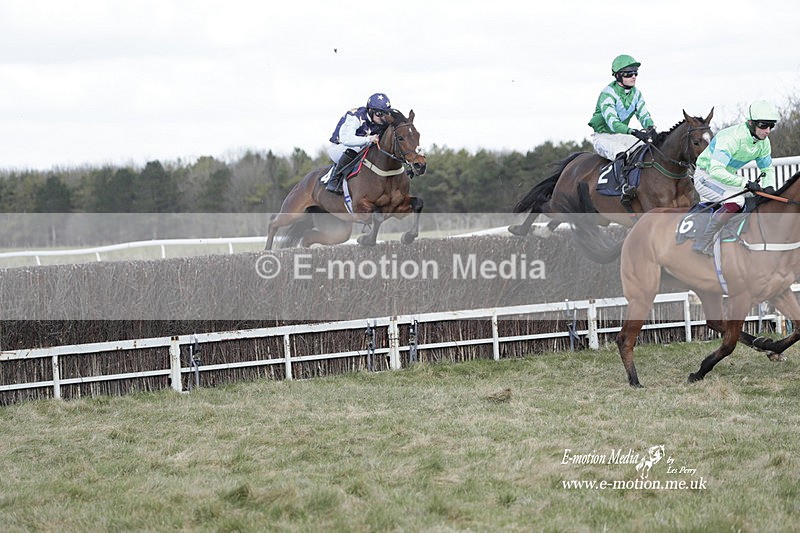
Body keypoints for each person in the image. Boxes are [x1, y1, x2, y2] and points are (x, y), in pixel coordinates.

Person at [691, 100, 779, 255]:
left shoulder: (763, 143)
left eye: (772, 126)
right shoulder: (732, 138)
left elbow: (767, 168)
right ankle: (703, 241)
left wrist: (770, 187)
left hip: (725, 178)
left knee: (755, 199)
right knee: (736, 201)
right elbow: (716, 170)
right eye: (764, 125)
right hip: (706, 175)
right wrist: (745, 182)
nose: (768, 131)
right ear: (751, 123)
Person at [588, 54, 657, 161]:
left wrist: (650, 127)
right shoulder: (608, 94)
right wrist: (634, 132)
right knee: (621, 153)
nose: (633, 76)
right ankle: (619, 178)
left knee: (646, 150)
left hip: (621, 136)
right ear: (618, 76)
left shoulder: (636, 94)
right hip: (603, 137)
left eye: (635, 73)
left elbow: (644, 115)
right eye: (629, 74)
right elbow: (613, 123)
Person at [325, 92, 392, 194]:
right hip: (340, 148)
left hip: (362, 147)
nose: (383, 118)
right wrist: (369, 139)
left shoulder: (380, 120)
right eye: (379, 114)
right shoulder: (355, 117)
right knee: (356, 148)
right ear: (370, 111)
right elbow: (346, 139)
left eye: (385, 113)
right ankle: (334, 179)